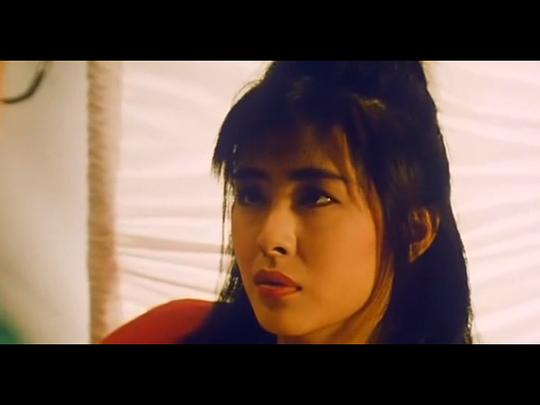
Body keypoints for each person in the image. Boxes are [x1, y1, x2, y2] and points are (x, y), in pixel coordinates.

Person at [103, 61, 473, 344]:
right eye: (251, 195)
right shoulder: (167, 333)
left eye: (316, 197)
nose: (269, 237)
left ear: (413, 231)